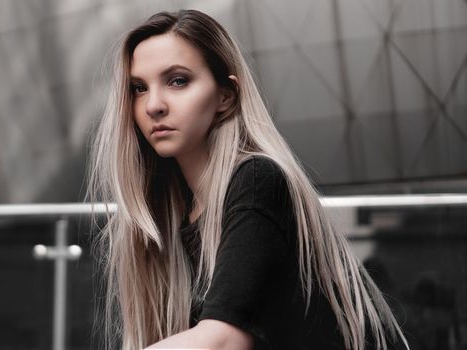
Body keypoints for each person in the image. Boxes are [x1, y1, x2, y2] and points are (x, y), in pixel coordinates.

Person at [87, 9, 409, 350]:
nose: (153, 105)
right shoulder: (168, 215)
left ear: (226, 96)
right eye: (138, 88)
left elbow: (224, 340)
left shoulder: (256, 180)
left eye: (178, 80)